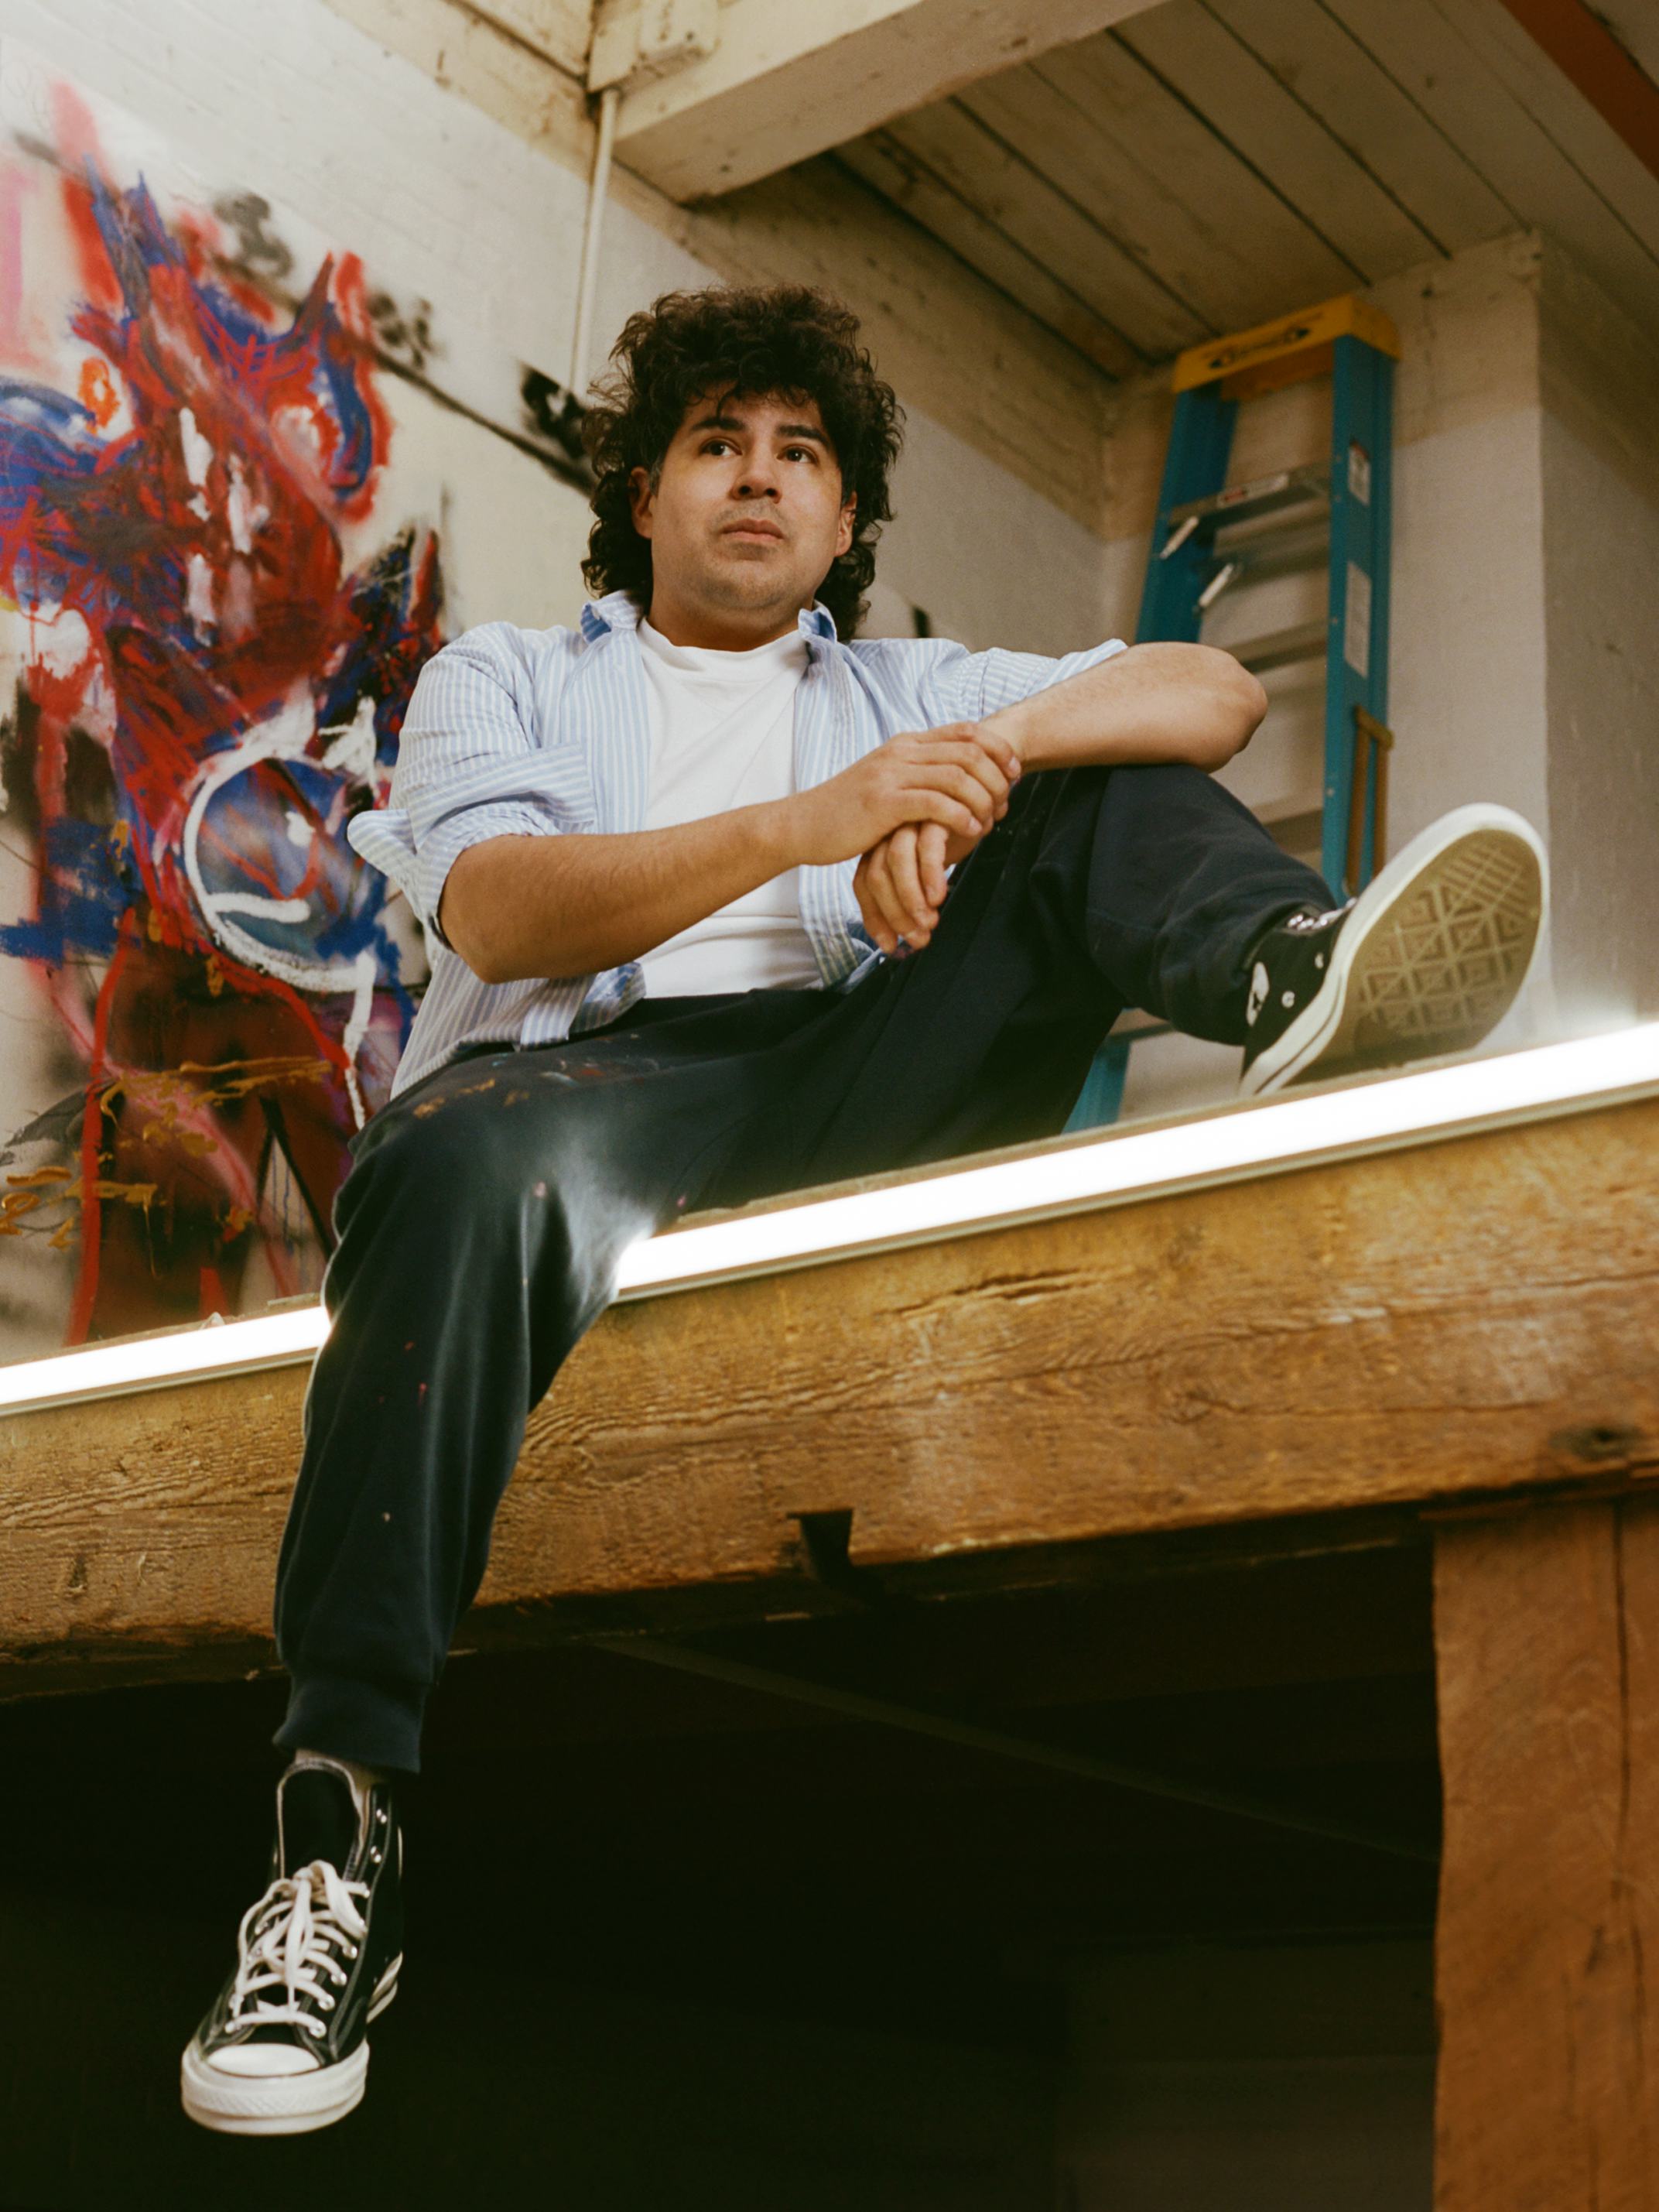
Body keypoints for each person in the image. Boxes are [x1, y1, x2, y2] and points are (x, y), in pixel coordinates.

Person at [180, 284, 1545, 2134]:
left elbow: (1205, 691)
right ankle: (338, 1840)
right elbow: (496, 912)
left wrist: (975, 776)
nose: (758, 479)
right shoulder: (507, 674)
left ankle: (1282, 978)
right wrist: (816, 820)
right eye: (717, 445)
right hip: (593, 1096)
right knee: (448, 1159)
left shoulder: (903, 684)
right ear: (644, 496)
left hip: (858, 1076)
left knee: (1089, 778)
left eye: (800, 454)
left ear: (842, 522)